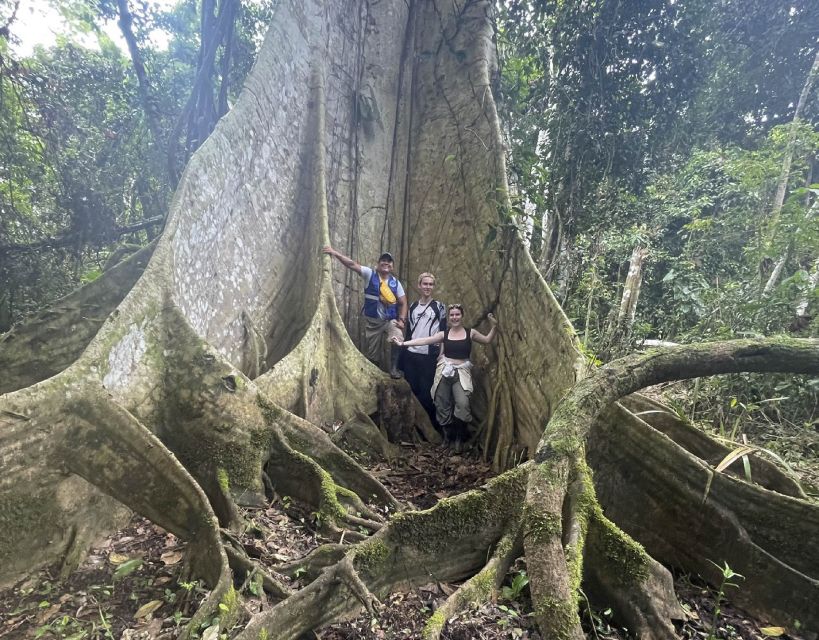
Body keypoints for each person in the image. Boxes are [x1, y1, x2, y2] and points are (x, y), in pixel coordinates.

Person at [392, 305, 498, 450]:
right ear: (449, 317)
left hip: (461, 372)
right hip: (444, 370)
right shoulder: (444, 334)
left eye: (457, 314)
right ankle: (447, 439)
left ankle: (459, 440)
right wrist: (403, 343)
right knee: (441, 403)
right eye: (452, 315)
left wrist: (494, 327)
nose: (455, 317)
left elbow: (486, 340)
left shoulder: (470, 332)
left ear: (462, 316)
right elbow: (424, 340)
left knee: (463, 403)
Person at [323, 245, 408, 378]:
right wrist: (334, 253)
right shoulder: (370, 274)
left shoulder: (396, 283)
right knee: (372, 353)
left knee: (397, 336)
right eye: (383, 260)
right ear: (378, 264)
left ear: (392, 266)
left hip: (390, 320)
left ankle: (394, 368)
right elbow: (352, 264)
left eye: (389, 261)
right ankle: (374, 373)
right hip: (373, 322)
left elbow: (403, 303)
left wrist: (402, 320)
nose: (386, 263)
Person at [402, 273, 446, 430]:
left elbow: (443, 332)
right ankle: (414, 428)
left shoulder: (439, 307)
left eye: (431, 284)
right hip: (411, 355)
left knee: (427, 393)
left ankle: (431, 428)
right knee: (412, 389)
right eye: (425, 284)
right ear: (419, 285)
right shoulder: (413, 306)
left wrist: (441, 353)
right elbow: (409, 330)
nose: (428, 287)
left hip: (429, 356)